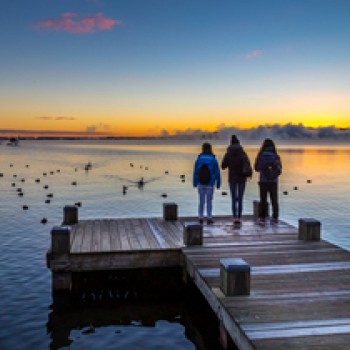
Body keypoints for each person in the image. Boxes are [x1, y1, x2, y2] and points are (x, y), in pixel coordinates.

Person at [221, 135, 251, 225]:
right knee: (240, 198)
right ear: (238, 142)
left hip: (232, 178)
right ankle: (239, 217)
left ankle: (234, 217)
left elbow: (223, 166)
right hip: (242, 178)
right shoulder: (243, 153)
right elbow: (248, 164)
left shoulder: (228, 153)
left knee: (234, 198)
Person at [254, 138, 282, 224]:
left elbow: (256, 168)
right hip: (273, 181)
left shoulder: (261, 156)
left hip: (263, 180)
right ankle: (275, 217)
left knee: (263, 199)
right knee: (274, 199)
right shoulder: (276, 156)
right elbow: (279, 170)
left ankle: (262, 217)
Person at [193, 142, 221, 224]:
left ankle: (200, 217)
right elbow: (217, 172)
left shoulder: (199, 159)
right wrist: (218, 182)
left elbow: (195, 172)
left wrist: (195, 182)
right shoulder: (213, 159)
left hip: (200, 183)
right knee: (209, 201)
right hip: (210, 183)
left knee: (201, 201)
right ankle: (209, 217)